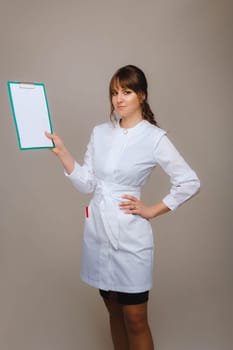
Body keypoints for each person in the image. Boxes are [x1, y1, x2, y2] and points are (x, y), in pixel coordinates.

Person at [45, 65, 200, 350]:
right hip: (98, 233)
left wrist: (152, 209)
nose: (119, 98)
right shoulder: (100, 132)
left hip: (130, 238)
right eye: (115, 92)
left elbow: (189, 181)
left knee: (136, 319)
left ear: (142, 95)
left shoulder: (154, 138)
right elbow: (87, 183)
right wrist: (63, 152)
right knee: (114, 313)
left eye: (126, 91)